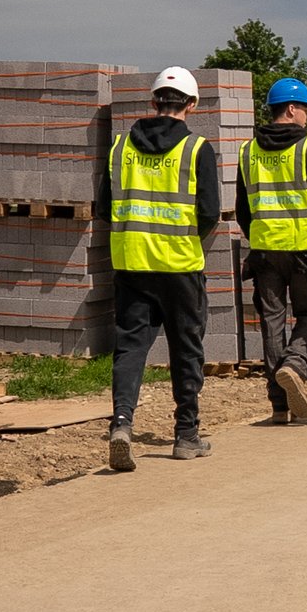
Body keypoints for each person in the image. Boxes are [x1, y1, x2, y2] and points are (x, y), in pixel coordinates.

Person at [98, 67, 220, 471]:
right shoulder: (197, 149)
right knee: (186, 347)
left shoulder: (120, 148)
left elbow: (103, 208)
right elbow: (209, 213)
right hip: (179, 263)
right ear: (192, 104)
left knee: (130, 347)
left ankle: (121, 424)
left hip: (132, 261)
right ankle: (186, 435)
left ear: (153, 103)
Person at [236, 78, 307, 425]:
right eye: (306, 110)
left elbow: (242, 209)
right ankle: (295, 365)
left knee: (272, 324)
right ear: (291, 109)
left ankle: (279, 406)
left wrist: (260, 236)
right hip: (303, 250)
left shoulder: (247, 150)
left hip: (265, 251)